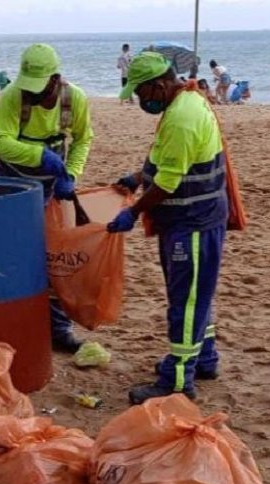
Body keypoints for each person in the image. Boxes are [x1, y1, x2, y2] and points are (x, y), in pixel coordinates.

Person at [110, 51, 229, 405]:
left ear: (160, 84)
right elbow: (166, 159)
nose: (140, 99)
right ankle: (203, 358)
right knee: (197, 294)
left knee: (185, 301)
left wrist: (133, 213)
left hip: (191, 221)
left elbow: (168, 183)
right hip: (194, 218)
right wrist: (136, 178)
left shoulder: (181, 118)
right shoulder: (184, 102)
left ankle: (178, 379)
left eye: (142, 92)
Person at [0, 44, 93, 353]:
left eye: (40, 88)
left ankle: (58, 329)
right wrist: (37, 155)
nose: (33, 95)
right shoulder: (13, 96)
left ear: (55, 79)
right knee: (13, 252)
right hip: (13, 183)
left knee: (54, 257)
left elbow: (83, 139)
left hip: (53, 185)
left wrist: (70, 174)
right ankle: (14, 321)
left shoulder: (74, 99)